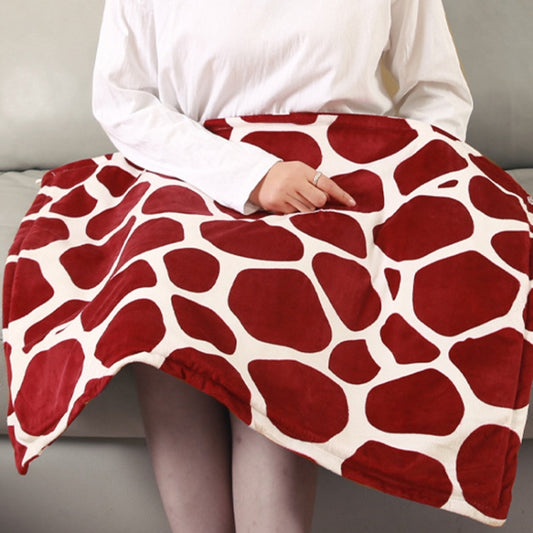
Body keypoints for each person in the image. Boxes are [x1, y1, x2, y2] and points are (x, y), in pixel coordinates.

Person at [90, 1, 473, 532]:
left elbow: (438, 91)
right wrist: (253, 175)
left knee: (281, 283)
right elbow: (120, 99)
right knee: (156, 284)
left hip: (340, 181)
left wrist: (395, 183)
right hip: (193, 172)